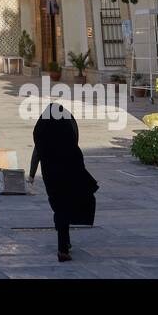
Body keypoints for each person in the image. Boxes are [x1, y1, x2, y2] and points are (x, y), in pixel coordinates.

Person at [28, 103, 98, 262]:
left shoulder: (43, 128)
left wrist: (31, 174)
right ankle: (63, 246)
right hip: (70, 170)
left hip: (50, 174)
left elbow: (37, 150)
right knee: (65, 207)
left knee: (59, 208)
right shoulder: (68, 124)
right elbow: (75, 141)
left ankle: (64, 243)